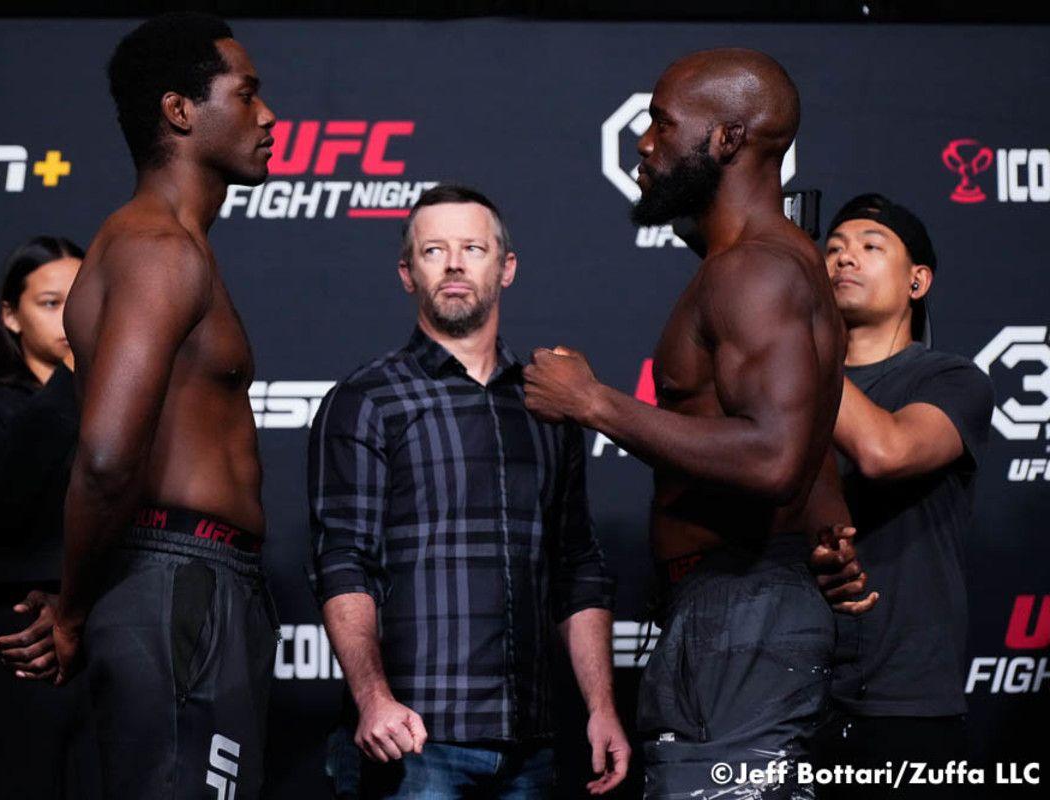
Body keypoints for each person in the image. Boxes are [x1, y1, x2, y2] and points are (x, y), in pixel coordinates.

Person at [521, 49, 874, 799]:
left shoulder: (753, 271)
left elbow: (776, 454)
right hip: (741, 603)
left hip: (743, 612)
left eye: (661, 124)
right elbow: (807, 451)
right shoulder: (763, 262)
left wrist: (594, 403)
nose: (644, 143)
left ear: (727, 139)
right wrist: (826, 538)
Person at [310, 184, 630, 798]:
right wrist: (373, 700)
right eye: (434, 250)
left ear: (505, 268)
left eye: (473, 248)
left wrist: (601, 706)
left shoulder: (547, 403)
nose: (454, 263)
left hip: (533, 745)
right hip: (414, 742)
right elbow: (342, 560)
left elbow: (578, 567)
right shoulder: (366, 401)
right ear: (408, 273)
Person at [51, 13, 279, 800]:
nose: (269, 116)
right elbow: (108, 457)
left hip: (192, 587)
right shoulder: (158, 250)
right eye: (246, 96)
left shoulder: (168, 244)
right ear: (180, 112)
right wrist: (72, 609)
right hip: (179, 587)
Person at [812, 194, 993, 799]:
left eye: (870, 246)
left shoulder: (950, 380)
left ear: (918, 280)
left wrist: (793, 354)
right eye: (832, 249)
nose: (844, 259)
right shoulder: (780, 387)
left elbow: (885, 452)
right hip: (789, 699)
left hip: (904, 705)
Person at [0, 235, 94, 799]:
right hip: (23, 632)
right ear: (11, 315)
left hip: (109, 630)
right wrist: (74, 379)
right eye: (51, 303)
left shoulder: (126, 407)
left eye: (79, 300)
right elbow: (2, 505)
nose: (69, 317)